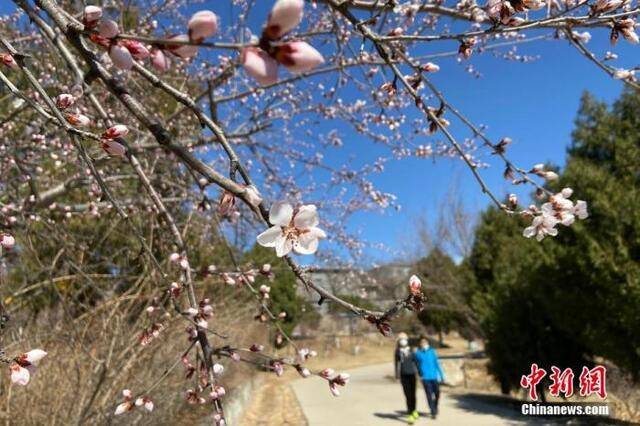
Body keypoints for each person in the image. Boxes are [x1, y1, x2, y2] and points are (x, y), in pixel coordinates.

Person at [414, 336, 445, 419]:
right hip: (425, 378)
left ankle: (435, 406)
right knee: (429, 395)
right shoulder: (418, 353)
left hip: (434, 376)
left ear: (427, 343)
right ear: (420, 344)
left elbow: (437, 364)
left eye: (425, 342)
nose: (423, 343)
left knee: (437, 393)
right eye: (422, 342)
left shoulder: (432, 351)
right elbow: (416, 365)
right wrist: (419, 375)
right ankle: (433, 411)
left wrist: (442, 375)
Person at [394, 332, 419, 424]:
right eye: (401, 339)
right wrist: (396, 375)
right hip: (403, 375)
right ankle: (410, 414)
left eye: (404, 338)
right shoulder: (397, 351)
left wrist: (420, 372)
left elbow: (416, 362)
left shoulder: (411, 350)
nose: (403, 340)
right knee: (407, 395)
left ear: (407, 340)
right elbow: (396, 363)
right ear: (399, 341)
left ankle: (414, 410)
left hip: (412, 375)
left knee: (413, 395)